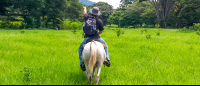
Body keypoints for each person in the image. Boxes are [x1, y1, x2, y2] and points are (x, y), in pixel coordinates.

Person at [78, 6, 111, 71]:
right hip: (96, 37)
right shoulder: (99, 21)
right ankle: (107, 59)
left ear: (91, 13)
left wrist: (84, 8)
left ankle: (82, 63)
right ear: (97, 14)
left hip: (87, 38)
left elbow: (85, 13)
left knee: (80, 49)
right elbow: (101, 31)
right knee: (106, 46)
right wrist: (96, 33)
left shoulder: (87, 18)